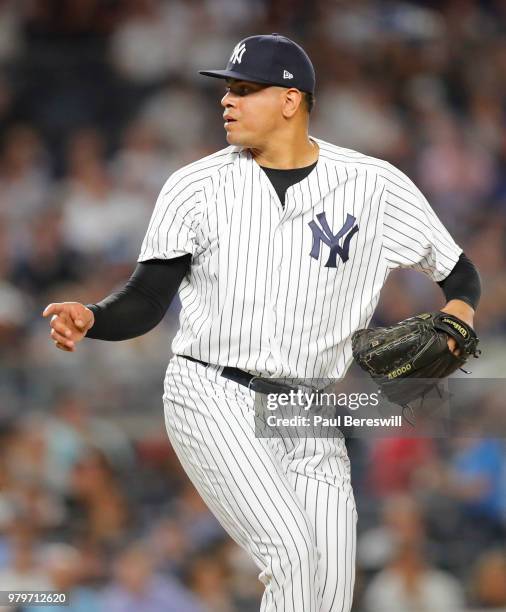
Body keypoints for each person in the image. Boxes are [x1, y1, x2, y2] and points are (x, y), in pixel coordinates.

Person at [43, 34, 481, 612]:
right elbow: (147, 300)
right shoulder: (194, 187)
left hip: (312, 408)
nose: (227, 101)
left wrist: (457, 313)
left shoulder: (373, 185)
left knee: (328, 591)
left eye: (244, 90)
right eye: (227, 90)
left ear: (290, 100)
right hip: (212, 390)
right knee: (292, 556)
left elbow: (459, 274)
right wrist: (92, 317)